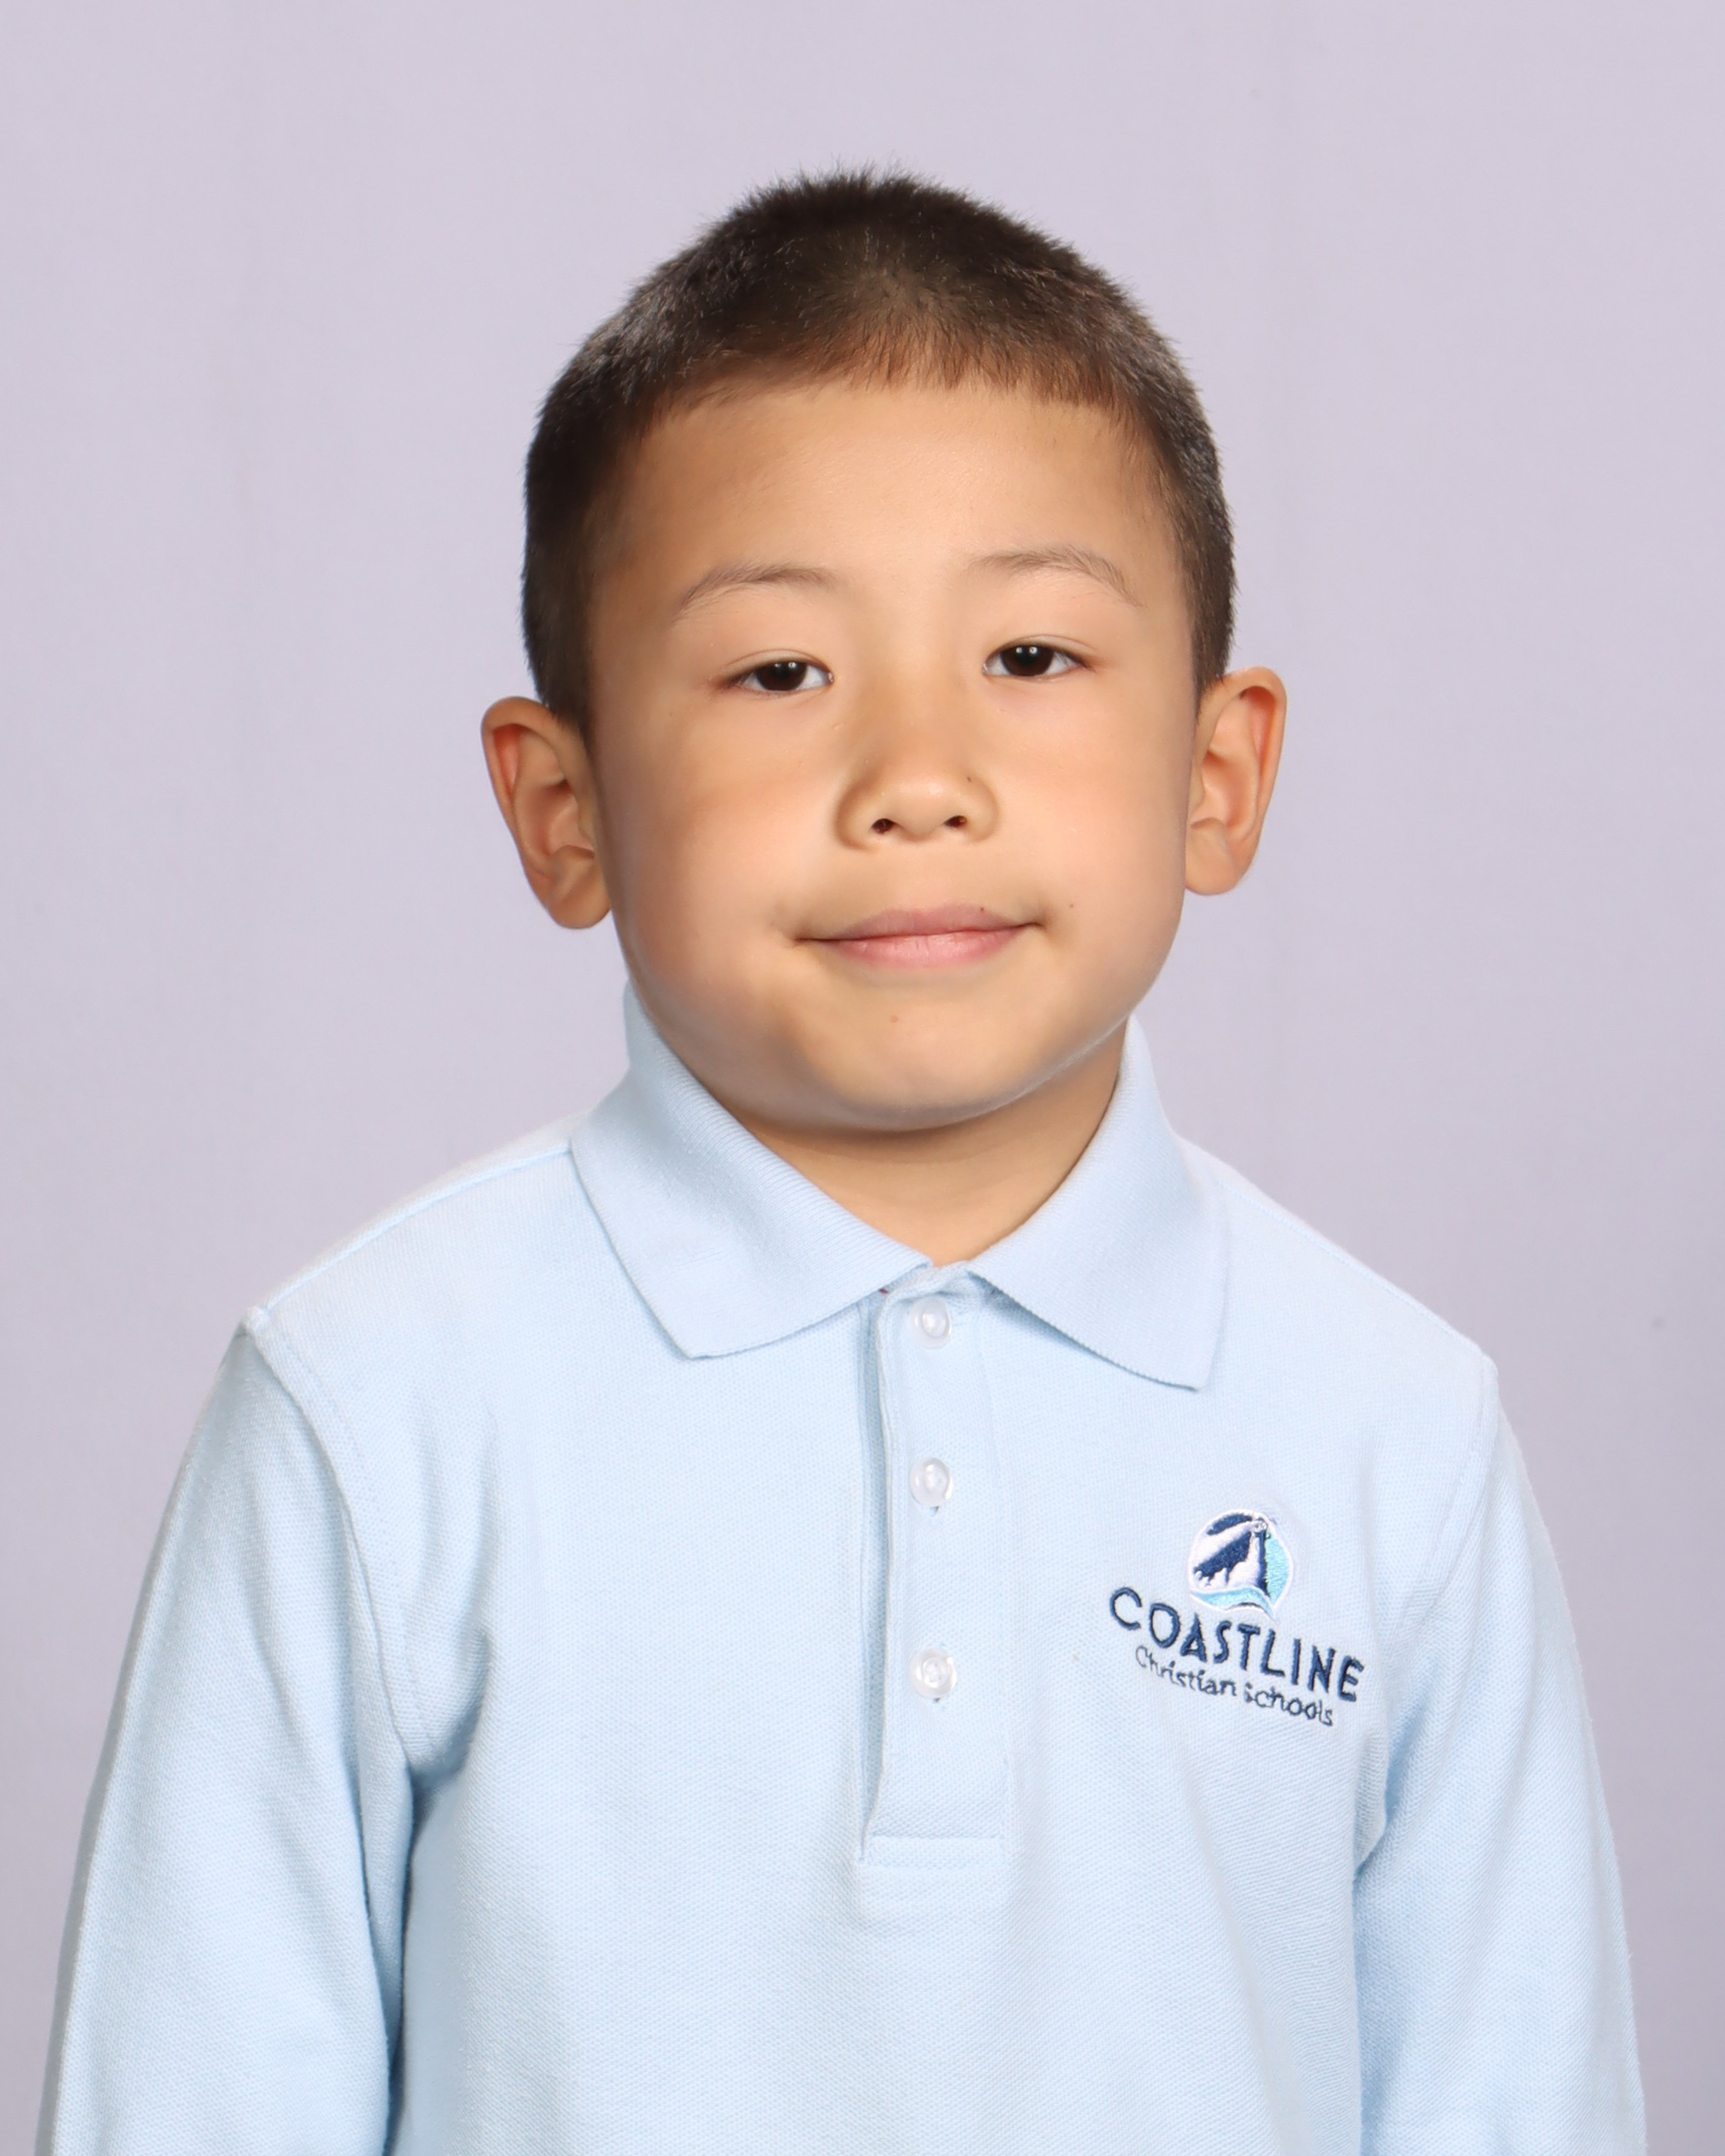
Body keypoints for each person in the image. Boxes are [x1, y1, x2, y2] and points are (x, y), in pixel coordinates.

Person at [39, 171, 1643, 2155]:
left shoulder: (1394, 1431)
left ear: (1218, 775)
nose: (917, 782)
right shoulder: (375, 1404)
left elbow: (1516, 2100)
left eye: (1032, 657)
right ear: (565, 807)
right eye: (780, 673)